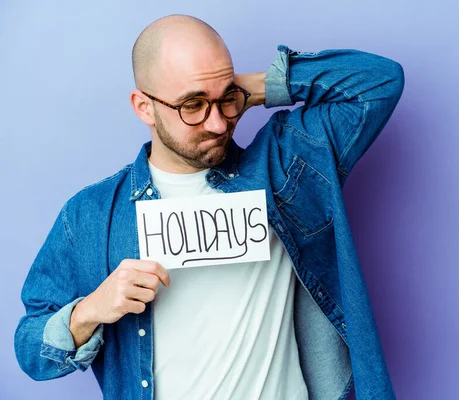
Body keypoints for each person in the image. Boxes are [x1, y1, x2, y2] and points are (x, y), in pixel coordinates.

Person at [15, 14, 404, 400]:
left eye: (226, 100)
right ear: (144, 107)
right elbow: (32, 354)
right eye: (193, 105)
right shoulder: (90, 216)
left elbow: (380, 82)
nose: (218, 123)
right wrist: (88, 311)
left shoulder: (283, 169)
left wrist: (253, 87)